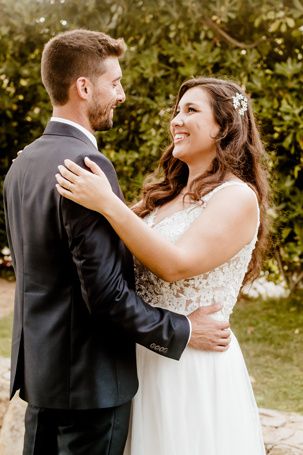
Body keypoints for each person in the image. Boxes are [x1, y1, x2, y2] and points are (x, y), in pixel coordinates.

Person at [3, 31, 230, 455]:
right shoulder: (87, 166)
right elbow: (105, 296)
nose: (121, 94)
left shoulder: (23, 164)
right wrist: (181, 330)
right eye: (115, 82)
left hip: (42, 377)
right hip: (91, 387)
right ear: (84, 87)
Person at [55, 76, 268, 454]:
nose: (176, 120)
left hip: (191, 367)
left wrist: (108, 202)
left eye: (191, 110)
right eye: (177, 110)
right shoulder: (162, 198)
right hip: (140, 356)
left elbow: (175, 264)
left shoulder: (237, 197)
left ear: (224, 127)